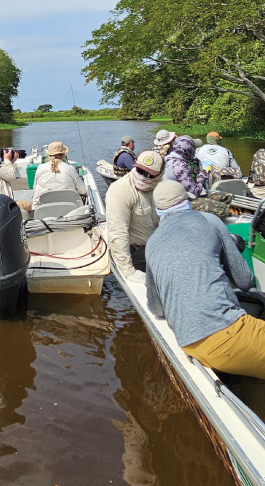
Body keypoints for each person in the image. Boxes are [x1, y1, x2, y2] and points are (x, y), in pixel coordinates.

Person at [145, 180, 265, 378]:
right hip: (227, 333)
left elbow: (157, 308)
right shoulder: (209, 220)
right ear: (188, 202)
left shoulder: (151, 244)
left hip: (191, 345)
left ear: (158, 211)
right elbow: (244, 281)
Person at [105, 150, 164, 282]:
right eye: (140, 171)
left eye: (149, 174)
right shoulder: (119, 190)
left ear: (160, 175)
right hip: (138, 251)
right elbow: (118, 233)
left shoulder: (162, 186)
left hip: (160, 245)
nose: (143, 176)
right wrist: (128, 271)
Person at [30, 141, 86, 210]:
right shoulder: (70, 169)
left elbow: (35, 188)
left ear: (48, 155)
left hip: (44, 211)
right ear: (63, 155)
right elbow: (83, 191)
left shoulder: (40, 168)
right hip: (70, 210)